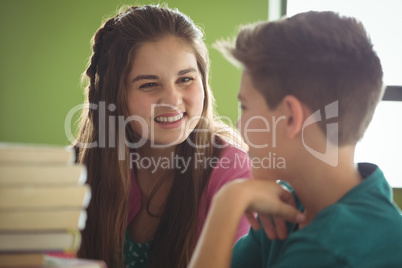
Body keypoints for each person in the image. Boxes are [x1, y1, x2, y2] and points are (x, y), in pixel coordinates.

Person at [189, 11, 402, 268]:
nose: (239, 125)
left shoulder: (333, 247)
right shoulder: (288, 208)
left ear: (290, 118)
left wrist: (228, 201)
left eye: (244, 107)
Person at [73, 4, 252, 268]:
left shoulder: (231, 172)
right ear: (113, 96)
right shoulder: (79, 166)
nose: (172, 100)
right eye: (148, 85)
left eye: (185, 79)